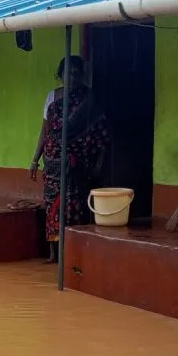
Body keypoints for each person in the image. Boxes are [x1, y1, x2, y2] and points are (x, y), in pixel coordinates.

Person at [30, 56, 110, 262]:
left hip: (77, 163)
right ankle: (52, 252)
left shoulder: (88, 98)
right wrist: (34, 159)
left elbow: (100, 132)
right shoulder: (52, 98)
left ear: (81, 74)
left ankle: (71, 251)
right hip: (53, 162)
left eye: (76, 72)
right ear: (60, 74)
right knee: (52, 204)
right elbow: (45, 130)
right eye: (68, 72)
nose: (72, 76)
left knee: (75, 203)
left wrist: (99, 163)